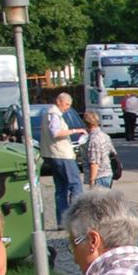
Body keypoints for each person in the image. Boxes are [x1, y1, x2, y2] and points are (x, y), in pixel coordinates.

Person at [41, 92, 86, 233]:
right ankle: (75, 220)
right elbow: (56, 133)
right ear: (59, 101)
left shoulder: (47, 113)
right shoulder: (54, 114)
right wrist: (75, 130)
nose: (67, 108)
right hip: (62, 154)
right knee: (75, 185)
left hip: (52, 154)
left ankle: (62, 221)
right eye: (66, 105)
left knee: (61, 189)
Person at [79, 110, 116, 189]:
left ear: (86, 124)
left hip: (99, 176)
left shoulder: (94, 139)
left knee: (98, 200)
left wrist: (92, 180)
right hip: (107, 173)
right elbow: (113, 152)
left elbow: (94, 162)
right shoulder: (105, 135)